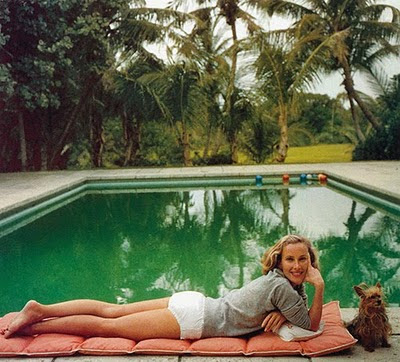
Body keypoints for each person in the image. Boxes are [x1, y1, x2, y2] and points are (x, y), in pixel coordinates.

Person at [1, 234, 324, 341]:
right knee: (106, 327)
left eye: (303, 260)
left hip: (196, 302)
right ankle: (36, 325)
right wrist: (319, 286)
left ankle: (40, 310)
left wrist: (281, 316)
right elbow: (309, 324)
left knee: (112, 310)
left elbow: (295, 313)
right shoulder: (284, 288)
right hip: (195, 320)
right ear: (279, 261)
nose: (297, 266)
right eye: (290, 260)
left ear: (309, 260)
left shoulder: (278, 284)